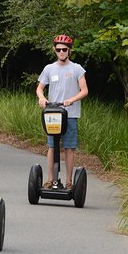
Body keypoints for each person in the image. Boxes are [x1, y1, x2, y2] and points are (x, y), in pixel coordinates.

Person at [35, 34, 89, 189]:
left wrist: (71, 99)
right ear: (54, 50)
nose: (61, 52)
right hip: (53, 113)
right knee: (52, 146)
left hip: (70, 114)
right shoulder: (49, 69)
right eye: (58, 49)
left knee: (69, 148)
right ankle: (50, 179)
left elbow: (84, 90)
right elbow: (39, 88)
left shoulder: (77, 68)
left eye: (64, 49)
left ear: (69, 51)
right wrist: (41, 98)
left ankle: (69, 182)